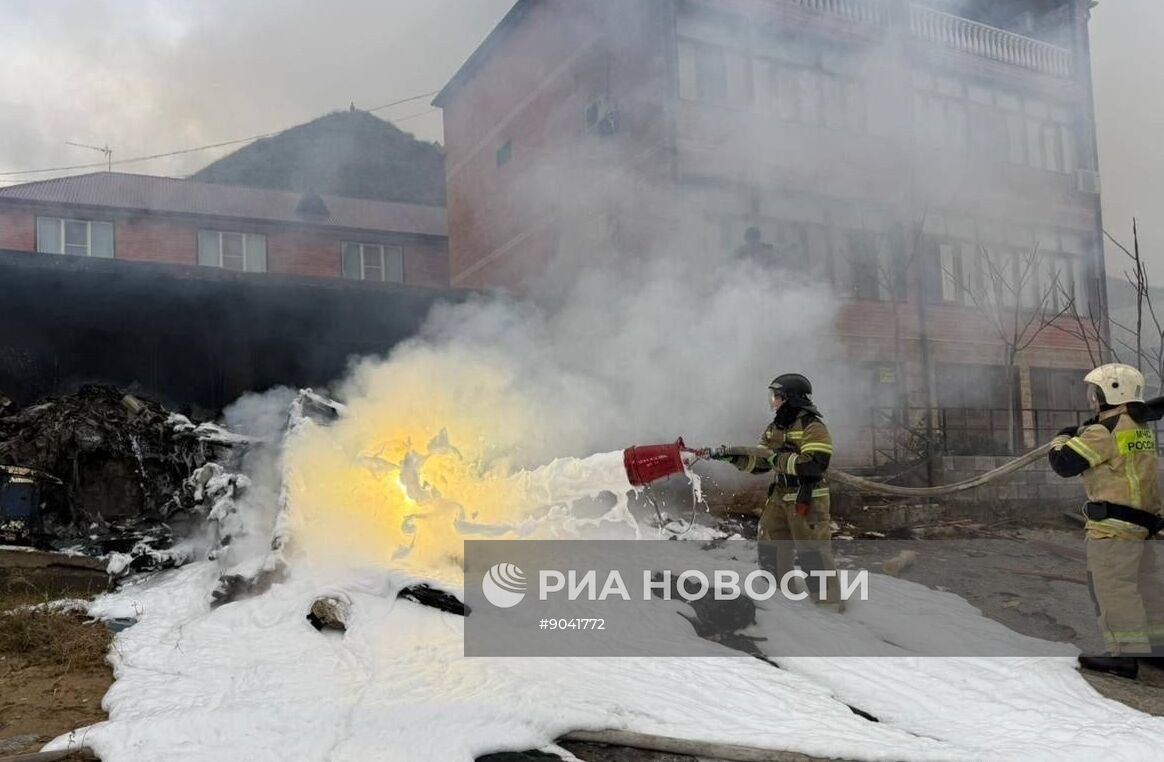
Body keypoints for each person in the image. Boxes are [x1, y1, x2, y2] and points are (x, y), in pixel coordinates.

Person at [1048, 363, 1164, 680]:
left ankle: (1125, 656)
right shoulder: (1137, 428)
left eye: (1093, 392)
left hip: (1112, 529)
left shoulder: (1103, 432)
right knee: (1147, 588)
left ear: (1108, 392)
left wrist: (1061, 438)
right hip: (1142, 524)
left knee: (1115, 589)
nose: (1089, 398)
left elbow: (1064, 463)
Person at [710, 373, 841, 610]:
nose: (773, 401)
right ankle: (780, 600)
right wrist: (734, 458)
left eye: (776, 396)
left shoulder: (812, 426)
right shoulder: (775, 427)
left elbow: (813, 464)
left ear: (790, 398)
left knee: (812, 552)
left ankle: (828, 605)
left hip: (807, 497)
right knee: (770, 541)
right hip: (780, 495)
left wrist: (777, 459)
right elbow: (761, 462)